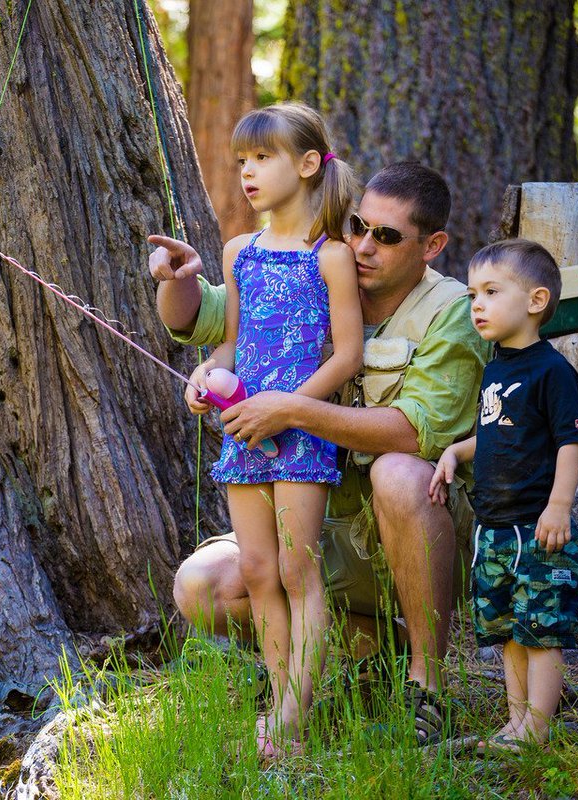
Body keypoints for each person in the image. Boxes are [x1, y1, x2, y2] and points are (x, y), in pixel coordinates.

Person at [149, 162, 491, 745]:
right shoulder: (316, 267)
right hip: (324, 528)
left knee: (399, 475)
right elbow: (203, 316)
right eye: (358, 226)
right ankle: (370, 654)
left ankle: (426, 686)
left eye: (387, 236)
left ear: (432, 246)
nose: (364, 246)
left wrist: (292, 409)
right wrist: (178, 280)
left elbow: (413, 433)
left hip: (416, 535)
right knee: (202, 585)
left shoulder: (451, 311)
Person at [182, 102, 362, 756]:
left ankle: (293, 715)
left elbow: (347, 355)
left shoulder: (330, 256)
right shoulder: (240, 253)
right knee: (258, 569)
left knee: (295, 568)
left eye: (264, 158)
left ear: (309, 164)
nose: (248, 172)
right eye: (243, 161)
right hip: (244, 433)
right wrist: (206, 374)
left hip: (300, 433)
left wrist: (286, 407)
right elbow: (232, 344)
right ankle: (281, 697)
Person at [429, 240, 578, 751]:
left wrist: (558, 507)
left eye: (491, 292)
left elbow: (570, 442)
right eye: (473, 294)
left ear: (536, 300)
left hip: (538, 529)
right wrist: (456, 451)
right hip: (493, 528)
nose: (477, 304)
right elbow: (495, 433)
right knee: (507, 631)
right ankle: (516, 722)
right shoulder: (495, 369)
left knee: (541, 629)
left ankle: (537, 728)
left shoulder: (552, 371)